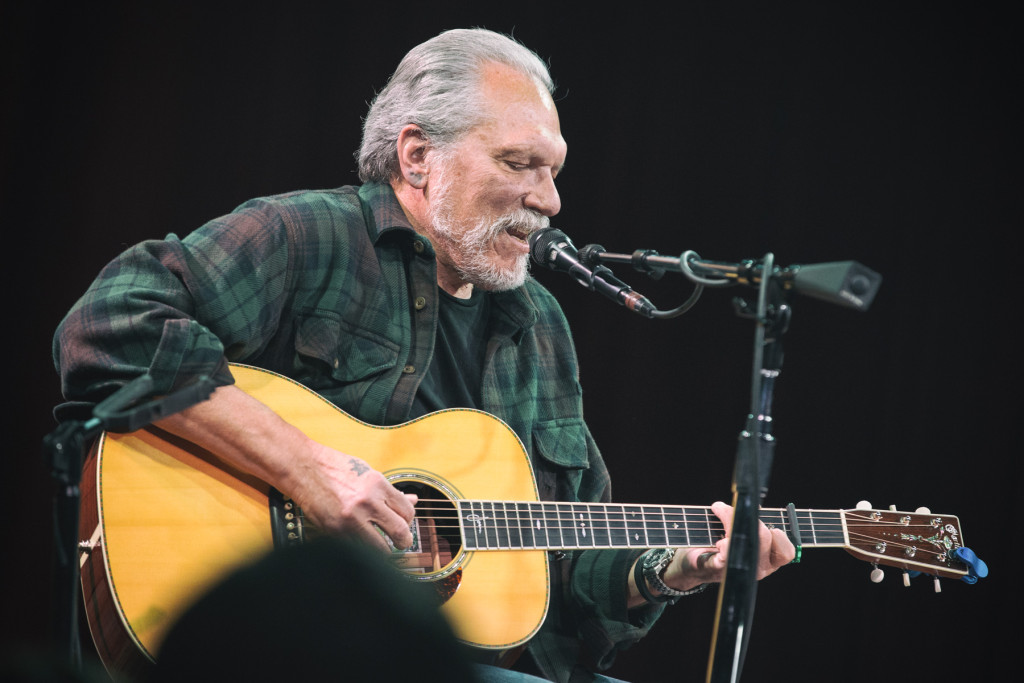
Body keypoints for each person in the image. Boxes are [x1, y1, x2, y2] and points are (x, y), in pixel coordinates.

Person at [53, 28, 794, 683]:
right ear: (416, 157)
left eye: (554, 169)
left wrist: (676, 568)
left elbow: (563, 564)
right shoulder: (305, 237)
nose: (551, 200)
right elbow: (110, 322)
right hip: (286, 638)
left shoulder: (539, 326)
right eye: (518, 162)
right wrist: (304, 467)